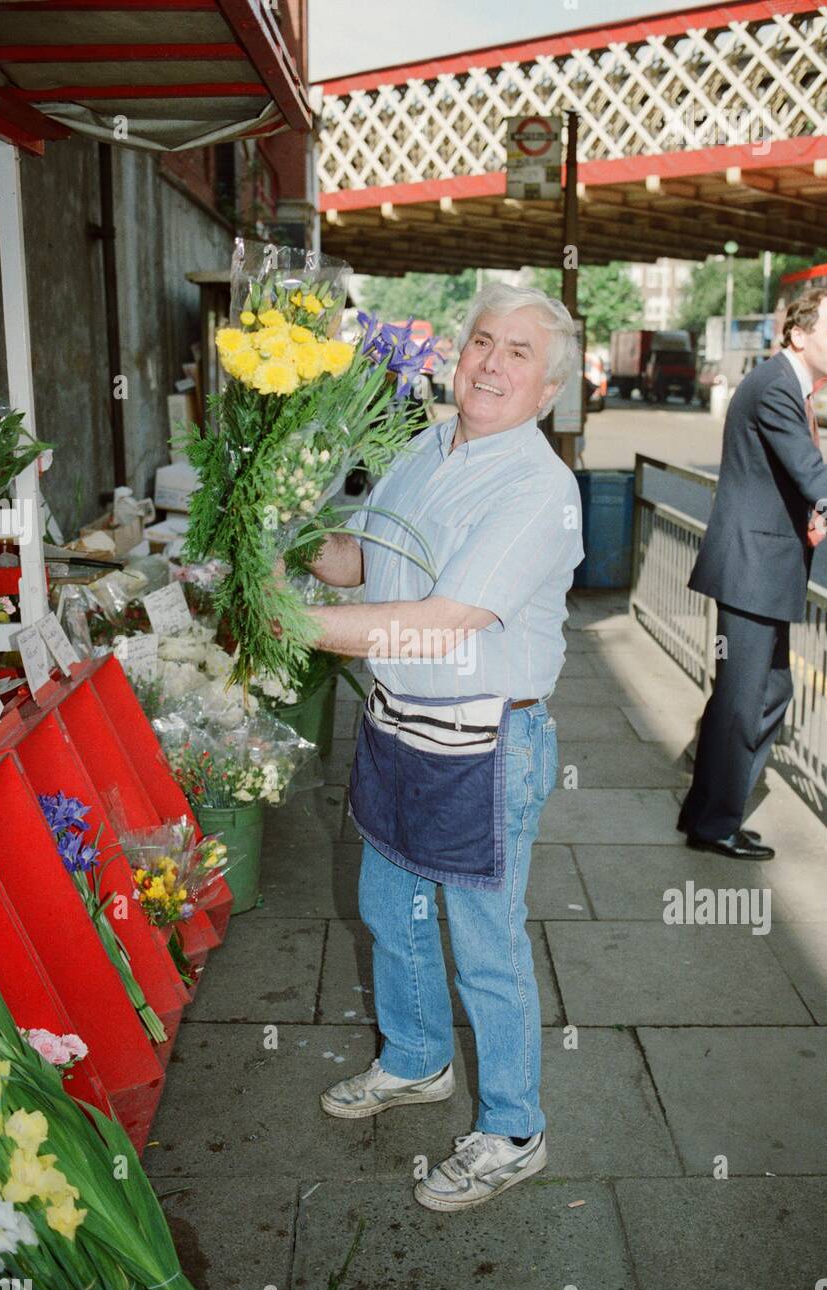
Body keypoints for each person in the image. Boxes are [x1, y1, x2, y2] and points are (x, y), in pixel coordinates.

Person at [295, 283, 583, 1210]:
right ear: (458, 354)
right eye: (482, 342)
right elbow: (368, 566)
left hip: (486, 744)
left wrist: (293, 624)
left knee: (485, 946)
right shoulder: (425, 445)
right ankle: (417, 1059)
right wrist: (297, 542)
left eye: (518, 354)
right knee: (387, 906)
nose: (492, 363)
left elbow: (443, 623)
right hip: (398, 726)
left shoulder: (539, 487)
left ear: (547, 391)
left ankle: (511, 1127)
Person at [679, 287, 827, 858]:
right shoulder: (777, 388)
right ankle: (714, 824)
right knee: (743, 698)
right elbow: (810, 473)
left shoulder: (782, 383)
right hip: (752, 569)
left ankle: (708, 808)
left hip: (760, 566)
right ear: (800, 336)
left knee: (765, 689)